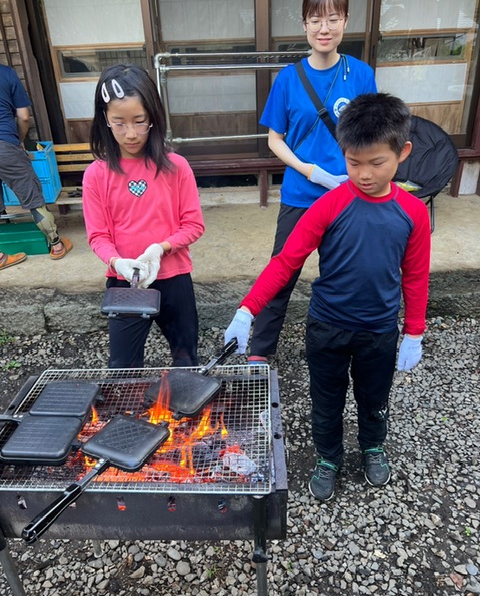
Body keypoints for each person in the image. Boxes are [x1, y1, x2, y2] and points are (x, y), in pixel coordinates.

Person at [225, 93, 431, 501]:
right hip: (327, 328)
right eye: (353, 162)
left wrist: (414, 332)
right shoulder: (328, 205)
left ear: (402, 152)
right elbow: (286, 262)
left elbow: (415, 276)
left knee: (375, 397)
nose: (364, 174)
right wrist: (247, 309)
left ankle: (372, 446)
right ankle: (329, 457)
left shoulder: (413, 212)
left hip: (378, 330)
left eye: (376, 163)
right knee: (326, 399)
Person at [249, 0, 377, 364]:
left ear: (346, 21)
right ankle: (260, 352)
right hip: (300, 194)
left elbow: (370, 135)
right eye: (316, 19)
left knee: (342, 276)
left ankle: (335, 349)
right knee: (281, 272)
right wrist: (309, 170)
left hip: (347, 196)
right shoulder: (289, 78)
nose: (325, 28)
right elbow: (275, 140)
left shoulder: (361, 74)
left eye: (333, 18)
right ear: (304, 23)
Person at [82, 64, 205, 368]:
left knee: (186, 359)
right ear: (105, 119)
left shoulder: (176, 166)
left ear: (153, 116)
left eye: (139, 121)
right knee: (122, 367)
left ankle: (183, 400)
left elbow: (193, 225)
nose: (131, 133)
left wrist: (160, 248)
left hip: (174, 277)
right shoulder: (96, 174)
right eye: (119, 123)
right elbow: (98, 236)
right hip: (125, 281)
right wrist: (117, 262)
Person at [0, 64, 72, 260]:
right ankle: (56, 246)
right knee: (34, 200)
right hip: (5, 146)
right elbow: (24, 117)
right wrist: (18, 141)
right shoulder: (6, 74)